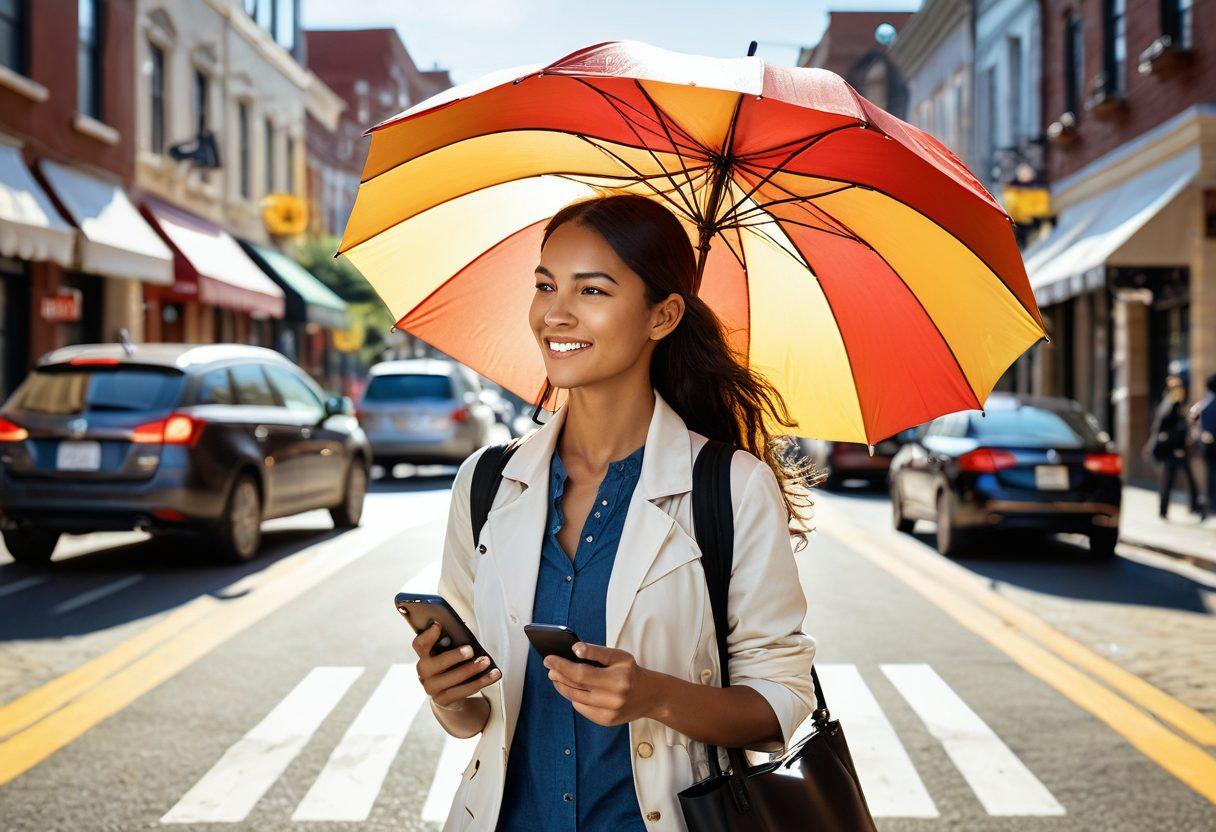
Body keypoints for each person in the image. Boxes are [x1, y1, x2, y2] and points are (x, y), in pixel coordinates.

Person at [411, 193, 818, 832]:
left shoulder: (731, 486)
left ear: (663, 315)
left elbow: (782, 703)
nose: (555, 314)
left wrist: (655, 695)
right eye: (545, 286)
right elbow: (475, 719)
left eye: (592, 291)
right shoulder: (487, 482)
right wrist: (447, 691)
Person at [1145, 374, 1201, 519]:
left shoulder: (1167, 403)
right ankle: (1192, 507)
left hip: (1171, 449)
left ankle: (1164, 510)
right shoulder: (1174, 405)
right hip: (1175, 449)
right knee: (1178, 480)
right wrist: (1179, 448)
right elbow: (1177, 430)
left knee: (1168, 480)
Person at [1188, 373, 1216, 521]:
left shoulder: (1205, 403)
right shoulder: (1208, 403)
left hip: (1208, 445)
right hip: (1210, 446)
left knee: (1210, 476)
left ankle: (1210, 505)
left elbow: (1194, 416)